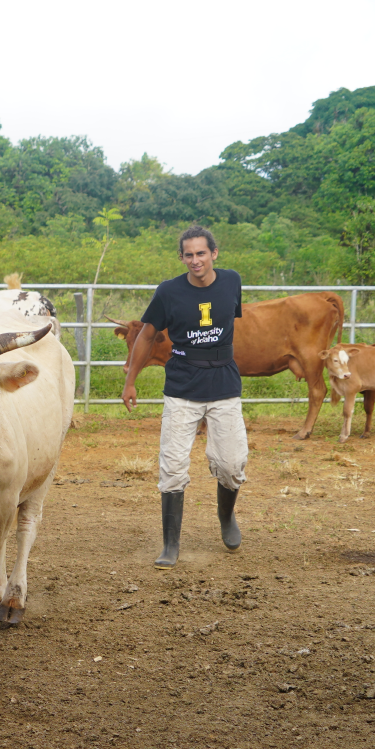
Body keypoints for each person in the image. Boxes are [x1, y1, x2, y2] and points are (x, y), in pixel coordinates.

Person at [120, 225, 247, 568]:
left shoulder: (232, 281)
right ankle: (170, 545)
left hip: (223, 383)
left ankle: (226, 518)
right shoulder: (168, 292)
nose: (195, 260)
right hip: (182, 385)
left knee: (231, 464)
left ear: (214, 254)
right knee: (173, 467)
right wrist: (130, 379)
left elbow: (225, 325)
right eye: (188, 255)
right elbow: (147, 336)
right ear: (181, 257)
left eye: (201, 253)